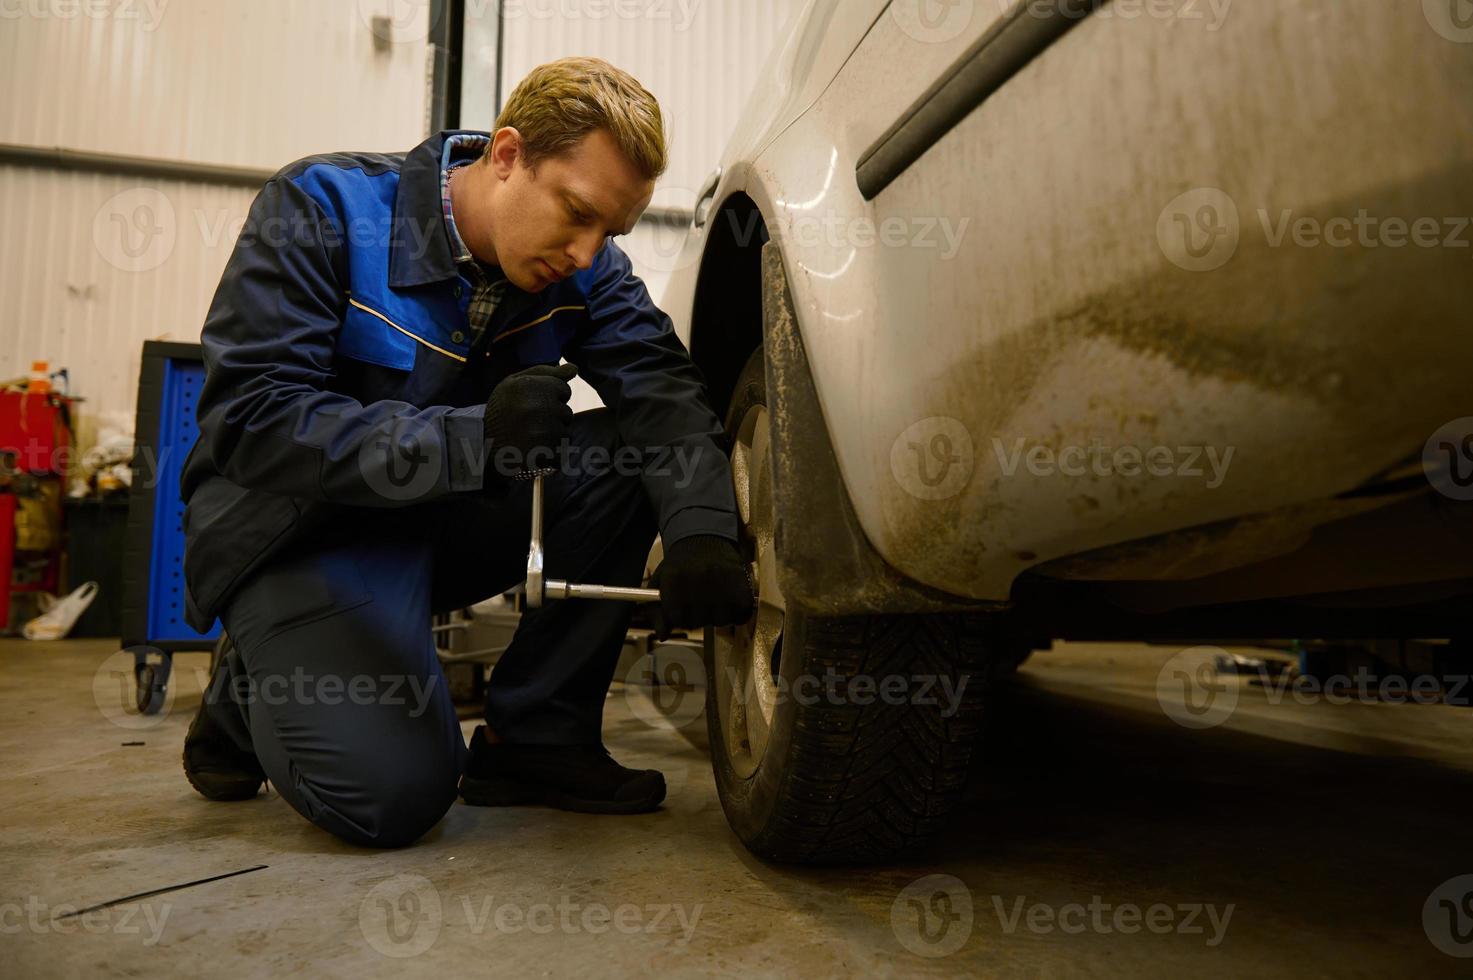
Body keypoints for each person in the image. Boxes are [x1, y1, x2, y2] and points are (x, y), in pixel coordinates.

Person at [177, 57, 755, 847]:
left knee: (628, 451)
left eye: (610, 232)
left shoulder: (586, 271)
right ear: (509, 155)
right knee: (392, 799)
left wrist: (700, 531)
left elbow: (662, 394)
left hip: (443, 516)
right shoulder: (323, 207)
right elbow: (253, 420)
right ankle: (251, 679)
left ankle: (536, 740)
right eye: (576, 213)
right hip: (302, 529)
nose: (588, 253)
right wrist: (470, 437)